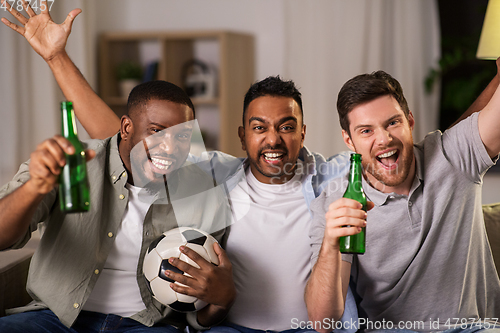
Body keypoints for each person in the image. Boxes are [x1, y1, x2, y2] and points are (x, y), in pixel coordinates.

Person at [1, 3, 359, 332]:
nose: (273, 140)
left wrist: (222, 299)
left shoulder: (321, 180)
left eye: (286, 126)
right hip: (57, 317)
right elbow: (118, 143)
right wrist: (56, 58)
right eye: (259, 127)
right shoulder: (205, 173)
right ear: (241, 134)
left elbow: (378, 157)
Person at [0, 79, 236, 332]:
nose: (170, 148)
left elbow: (198, 312)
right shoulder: (73, 164)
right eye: (156, 131)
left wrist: (221, 303)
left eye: (182, 136)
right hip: (54, 318)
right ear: (126, 128)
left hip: (148, 326)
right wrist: (35, 186)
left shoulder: (205, 192)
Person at [305, 70, 500, 332]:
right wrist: (330, 244)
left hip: (474, 327)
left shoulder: (452, 155)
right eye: (366, 131)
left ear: (410, 121)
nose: (384, 139)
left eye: (392, 123)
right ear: (349, 140)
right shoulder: (336, 201)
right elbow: (322, 321)